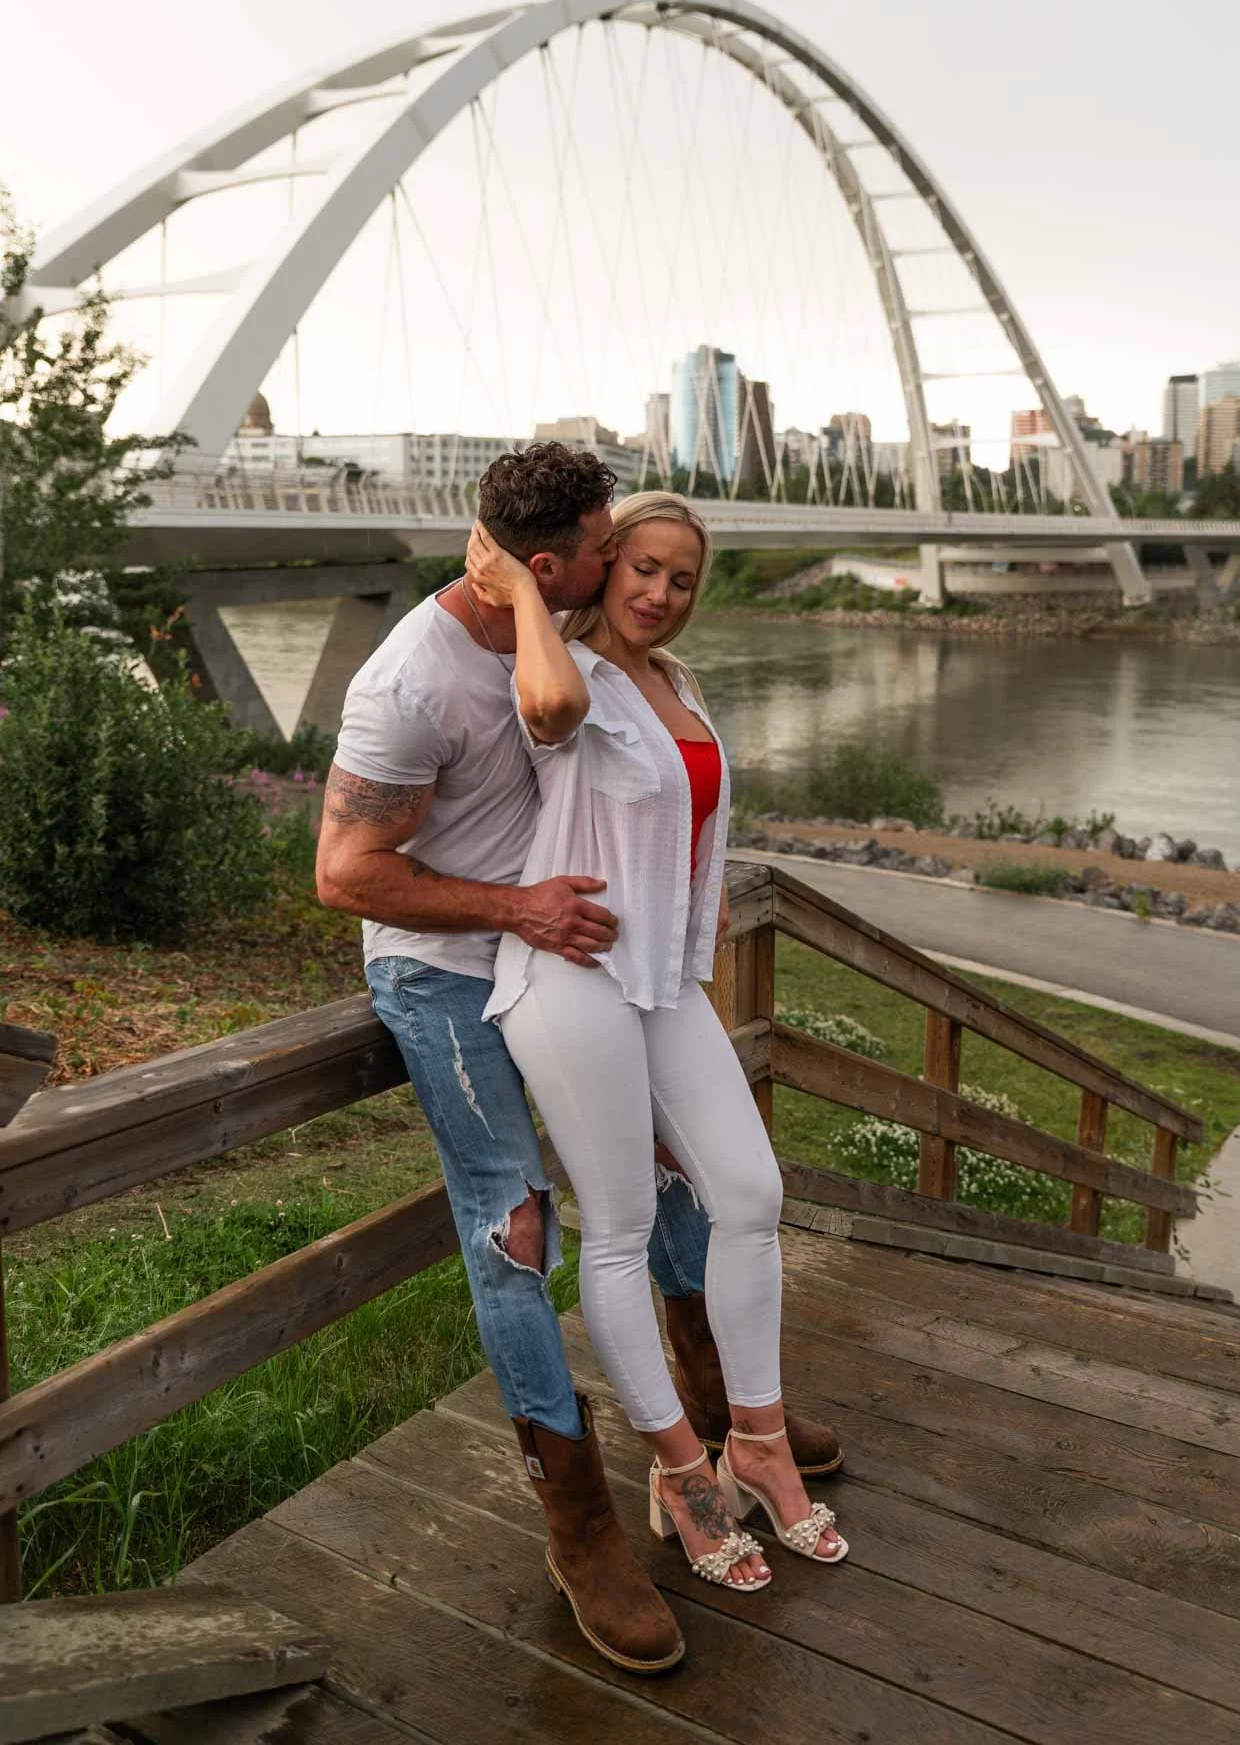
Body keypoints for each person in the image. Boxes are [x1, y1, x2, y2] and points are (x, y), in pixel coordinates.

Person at [316, 445, 841, 1668]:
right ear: (551, 567)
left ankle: (723, 1417)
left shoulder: (575, 623)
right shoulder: (411, 680)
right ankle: (580, 1518)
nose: (635, 575)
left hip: (586, 948)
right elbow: (344, 875)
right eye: (616, 555)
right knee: (517, 1227)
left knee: (687, 1184)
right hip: (443, 959)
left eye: (660, 564)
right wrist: (519, 911)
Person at [471, 489, 847, 1595]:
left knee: (750, 1193)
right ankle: (680, 1470)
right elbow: (544, 712)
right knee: (623, 1227)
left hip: (662, 982)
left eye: (682, 579)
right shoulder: (566, 671)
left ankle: (759, 1441)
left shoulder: (680, 684)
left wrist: (700, 904)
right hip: (569, 977)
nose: (659, 593)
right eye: (639, 568)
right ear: (599, 567)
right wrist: (517, 590)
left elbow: (693, 822)